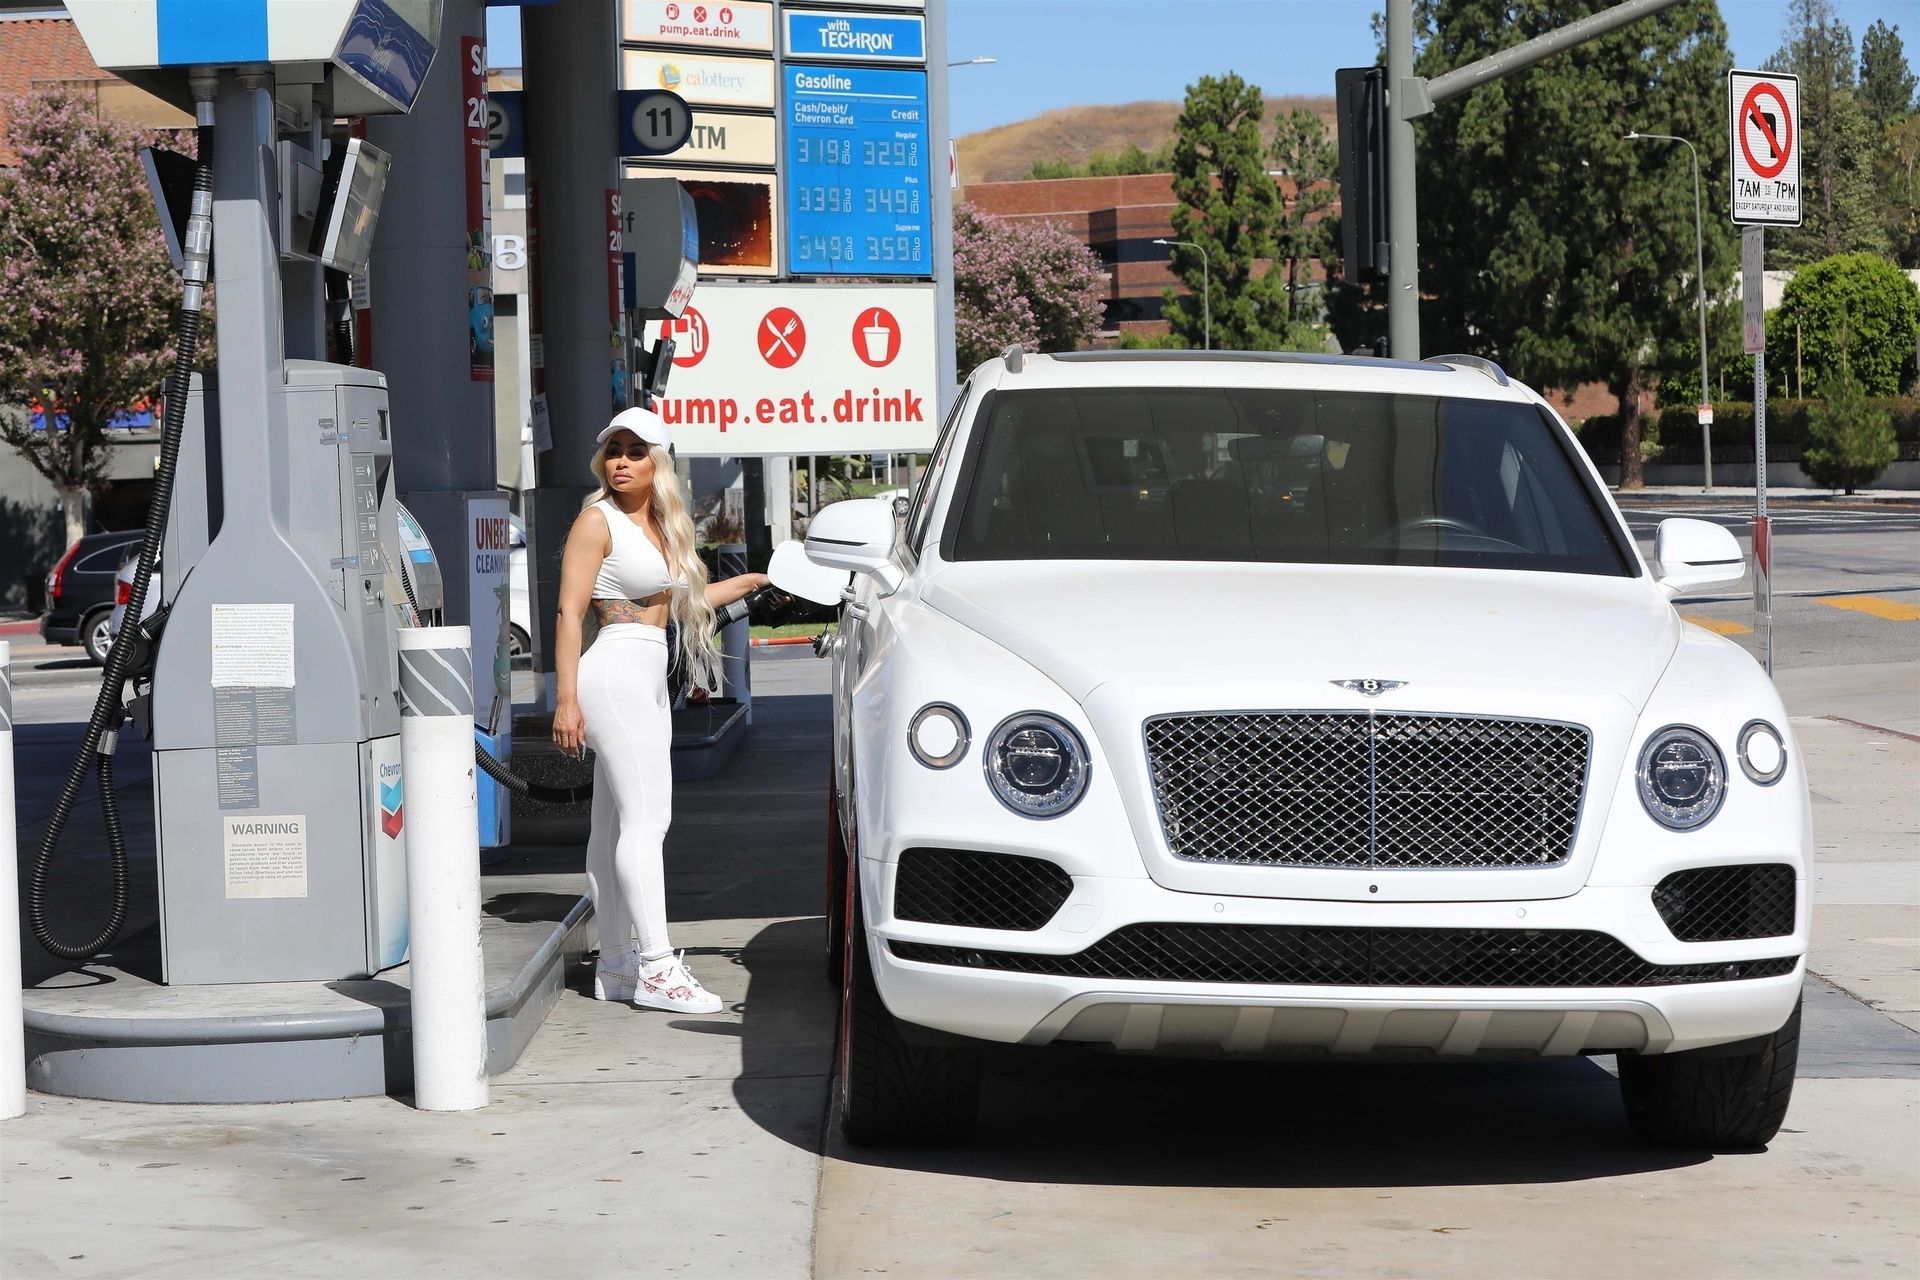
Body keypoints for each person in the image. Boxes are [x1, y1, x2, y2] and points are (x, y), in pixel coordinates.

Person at [552, 405, 767, 1013]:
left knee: (615, 825)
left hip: (643, 671)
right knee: (648, 823)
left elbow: (680, 604)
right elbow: (570, 612)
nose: (620, 461)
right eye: (613, 450)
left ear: (659, 462)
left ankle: (618, 965)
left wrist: (751, 583)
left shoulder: (661, 527)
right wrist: (566, 700)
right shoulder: (597, 521)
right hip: (614, 669)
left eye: (635, 451)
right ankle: (656, 967)